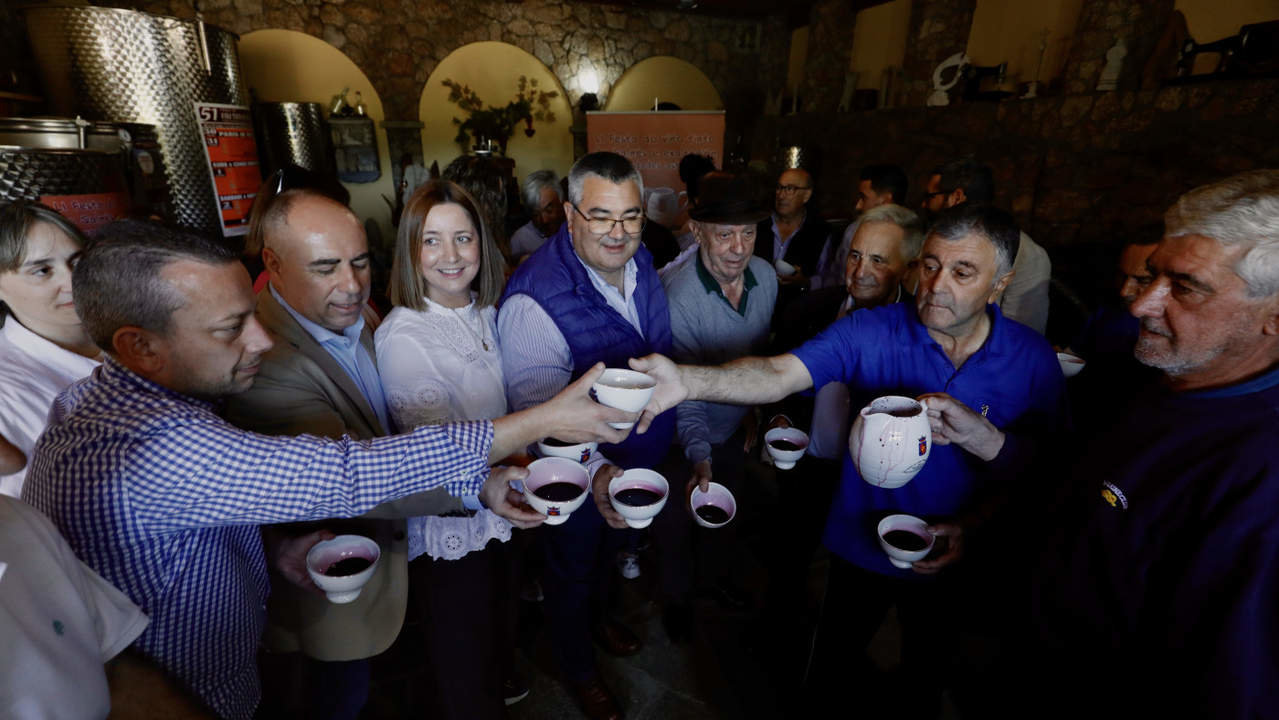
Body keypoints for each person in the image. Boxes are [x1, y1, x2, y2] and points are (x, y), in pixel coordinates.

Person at [22, 219, 634, 720]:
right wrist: (540, 420)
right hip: (193, 697)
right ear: (139, 346)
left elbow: (183, 521)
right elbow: (346, 473)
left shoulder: (95, 399)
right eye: (232, 327)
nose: (262, 340)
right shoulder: (150, 443)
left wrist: (271, 548)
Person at [633, 203, 1065, 717]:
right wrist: (690, 381)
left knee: (927, 672)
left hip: (956, 550)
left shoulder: (1032, 360)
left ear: (1001, 283)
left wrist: (984, 454)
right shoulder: (874, 330)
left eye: (962, 272)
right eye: (930, 265)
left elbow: (1050, 471)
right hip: (859, 545)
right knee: (828, 670)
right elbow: (777, 373)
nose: (936, 285)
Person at [223, 187, 508, 718]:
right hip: (331, 584)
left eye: (358, 263)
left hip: (397, 565)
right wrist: (484, 482)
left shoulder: (363, 316)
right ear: (273, 264)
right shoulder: (266, 361)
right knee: (337, 699)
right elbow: (351, 480)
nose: (351, 285)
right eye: (326, 268)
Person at [1031, 170, 1279, 719]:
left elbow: (1234, 688)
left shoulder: (1261, 480)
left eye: (1185, 287)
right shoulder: (1162, 376)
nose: (1142, 305)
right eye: (1152, 277)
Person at [498, 151, 677, 720]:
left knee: (607, 555)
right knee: (570, 567)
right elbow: (539, 418)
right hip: (579, 477)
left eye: (630, 217)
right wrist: (600, 472)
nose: (619, 232)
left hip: (635, 462)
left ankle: (599, 619)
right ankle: (576, 668)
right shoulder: (533, 298)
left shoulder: (642, 261)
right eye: (601, 216)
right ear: (570, 215)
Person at [375, 179, 532, 718]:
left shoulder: (486, 312)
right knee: (463, 665)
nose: (451, 256)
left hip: (505, 506)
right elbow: (433, 454)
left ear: (481, 245)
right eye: (432, 241)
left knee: (499, 636)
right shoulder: (404, 334)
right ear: (410, 251)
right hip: (452, 526)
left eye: (463, 238)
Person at [658, 171, 776, 640]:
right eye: (725, 234)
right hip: (679, 431)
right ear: (697, 231)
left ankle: (712, 585)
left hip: (733, 427)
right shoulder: (679, 294)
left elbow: (761, 358)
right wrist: (698, 455)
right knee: (675, 524)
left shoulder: (766, 278)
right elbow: (681, 386)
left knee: (725, 514)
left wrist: (754, 410)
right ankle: (675, 601)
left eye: (748, 233)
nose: (738, 248)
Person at [0, 201, 101, 497]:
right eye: (42, 270)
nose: (72, 282)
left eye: (78, 262)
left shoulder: (133, 333)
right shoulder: (7, 395)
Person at [928, 158, 1052, 334]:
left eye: (931, 197)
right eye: (930, 267)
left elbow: (1022, 335)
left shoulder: (1028, 255)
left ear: (956, 197)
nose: (936, 286)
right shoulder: (931, 238)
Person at [817, 163, 909, 289]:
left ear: (886, 201)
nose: (858, 206)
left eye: (863, 198)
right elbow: (834, 277)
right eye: (855, 256)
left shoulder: (910, 240)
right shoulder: (853, 231)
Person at [754, 167, 831, 314]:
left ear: (806, 195)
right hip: (755, 308)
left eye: (789, 189)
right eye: (779, 187)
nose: (781, 195)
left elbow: (826, 278)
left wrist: (805, 282)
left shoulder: (819, 232)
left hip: (794, 313)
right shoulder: (759, 223)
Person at [510, 169, 566, 263]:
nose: (544, 220)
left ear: (561, 202)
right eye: (536, 214)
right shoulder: (520, 240)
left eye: (549, 210)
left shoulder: (575, 231)